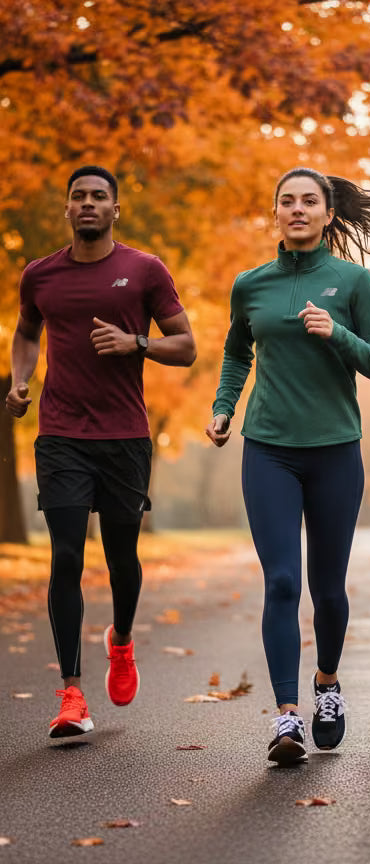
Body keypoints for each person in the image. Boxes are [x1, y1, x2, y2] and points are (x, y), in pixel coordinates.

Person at [206, 167, 370, 764]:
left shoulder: (353, 282)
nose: (297, 209)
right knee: (282, 582)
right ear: (276, 214)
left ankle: (326, 685)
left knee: (328, 590)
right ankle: (287, 714)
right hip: (267, 446)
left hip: (335, 451)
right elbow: (237, 351)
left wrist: (337, 333)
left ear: (326, 213)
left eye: (308, 201)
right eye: (286, 202)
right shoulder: (251, 284)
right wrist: (222, 408)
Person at [5, 166, 196, 738]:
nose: (88, 204)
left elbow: (185, 346)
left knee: (121, 561)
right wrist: (19, 381)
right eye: (78, 196)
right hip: (61, 434)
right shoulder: (39, 275)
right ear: (66, 209)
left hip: (125, 438)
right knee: (65, 557)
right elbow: (26, 331)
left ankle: (121, 640)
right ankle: (70, 693)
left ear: (116, 209)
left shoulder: (144, 270)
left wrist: (136, 342)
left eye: (99, 196)